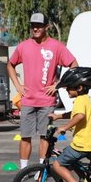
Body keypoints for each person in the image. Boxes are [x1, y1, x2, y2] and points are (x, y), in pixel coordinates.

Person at [7, 12, 78, 169]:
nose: (35, 28)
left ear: (47, 26)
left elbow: (74, 64)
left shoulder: (56, 46)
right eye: (33, 25)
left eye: (39, 25)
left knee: (44, 136)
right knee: (25, 136)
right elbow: (10, 65)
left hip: (47, 101)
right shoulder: (23, 46)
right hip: (28, 100)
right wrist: (18, 86)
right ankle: (23, 170)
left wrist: (58, 84)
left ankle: (41, 170)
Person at [49, 67, 91, 182]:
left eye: (69, 87)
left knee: (57, 165)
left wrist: (64, 127)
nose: (66, 90)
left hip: (82, 144)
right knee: (70, 158)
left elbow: (79, 116)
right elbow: (74, 113)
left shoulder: (79, 101)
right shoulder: (84, 99)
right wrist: (58, 116)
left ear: (79, 87)